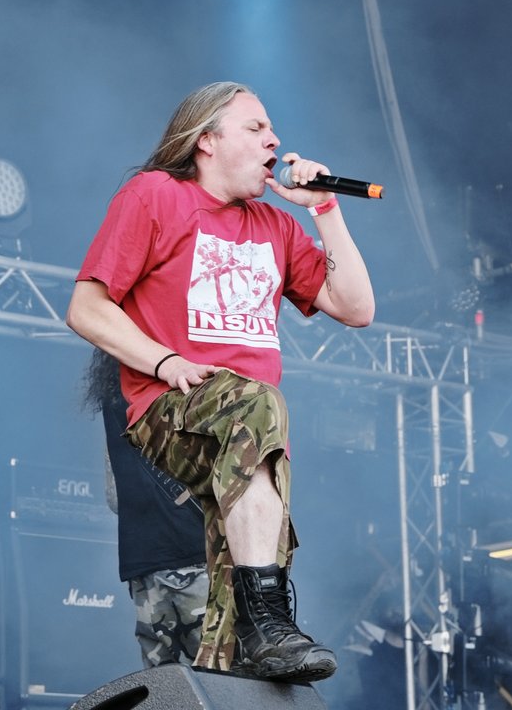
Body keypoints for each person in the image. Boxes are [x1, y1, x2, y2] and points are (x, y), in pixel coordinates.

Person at [66, 81, 375, 684]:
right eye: (256, 128)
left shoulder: (275, 226)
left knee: (236, 656)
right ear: (206, 140)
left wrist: (324, 209)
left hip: (248, 433)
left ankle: (253, 637)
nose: (274, 140)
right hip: (174, 407)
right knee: (258, 403)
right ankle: (268, 622)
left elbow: (356, 307)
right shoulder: (155, 195)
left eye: (273, 129)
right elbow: (86, 308)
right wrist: (164, 362)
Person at [82, 347, 209, 667]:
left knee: (164, 683)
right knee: (222, 679)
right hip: (197, 550)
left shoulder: (114, 388)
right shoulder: (189, 379)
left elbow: (114, 497)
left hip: (143, 558)